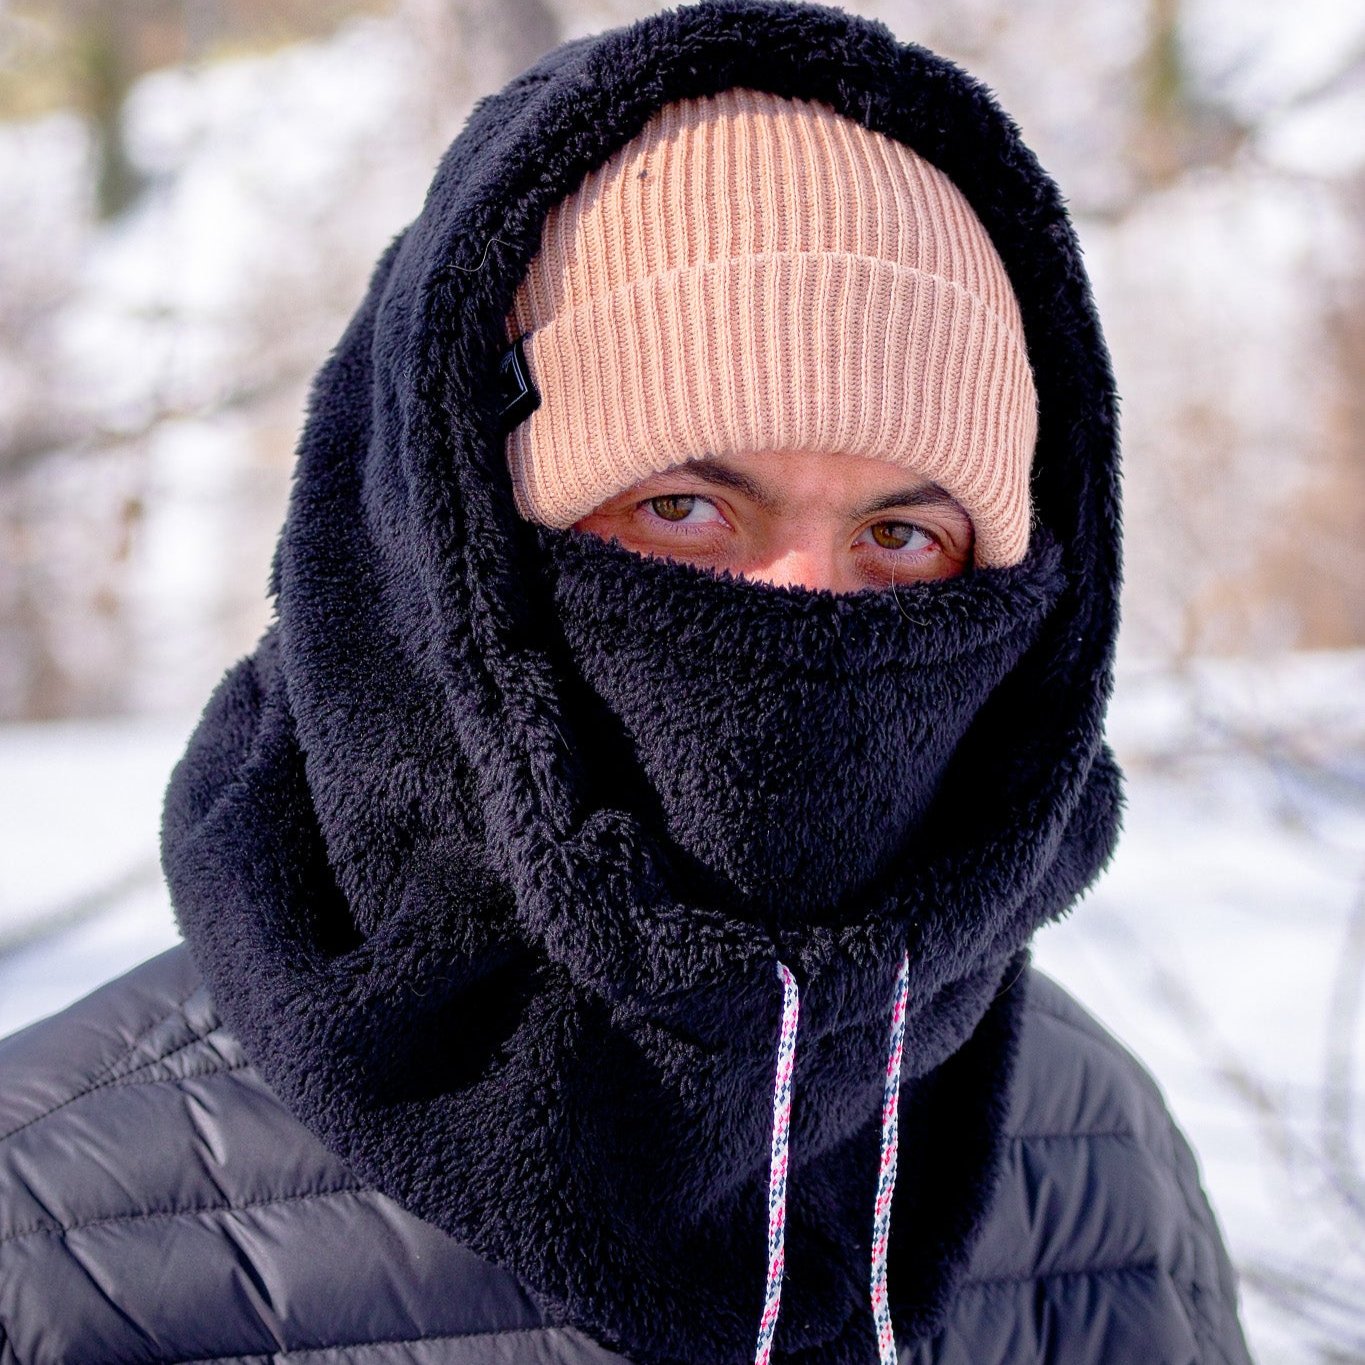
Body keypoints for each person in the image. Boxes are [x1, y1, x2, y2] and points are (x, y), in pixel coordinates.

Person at [0, 1, 1255, 1361]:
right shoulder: (49, 1239)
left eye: (901, 536)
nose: (807, 608)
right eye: (683, 508)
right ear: (450, 548)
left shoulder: (1092, 1156)